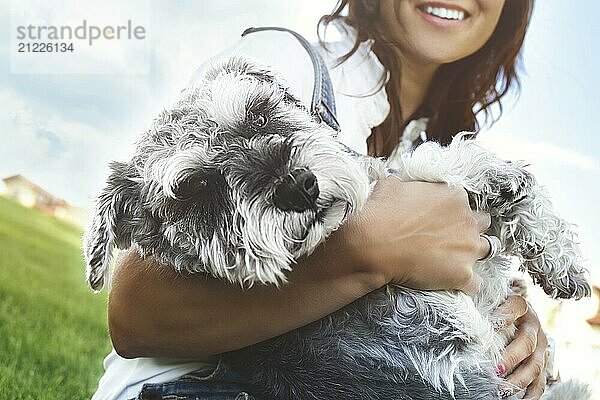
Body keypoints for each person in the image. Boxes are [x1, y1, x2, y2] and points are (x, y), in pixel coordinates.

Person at [92, 1, 548, 399]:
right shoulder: (284, 64)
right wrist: (375, 247)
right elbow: (134, 313)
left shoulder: (430, 142)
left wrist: (509, 330)